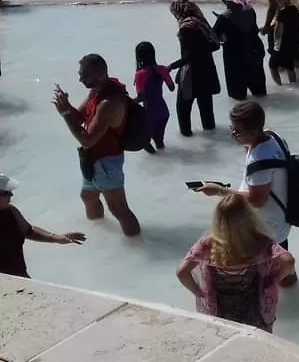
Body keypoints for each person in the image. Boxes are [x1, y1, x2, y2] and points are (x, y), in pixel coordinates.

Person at [196, 101, 299, 287]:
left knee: (255, 274)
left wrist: (219, 191)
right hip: (282, 216)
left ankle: (264, 300)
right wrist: (246, 143)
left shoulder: (259, 162)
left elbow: (257, 200)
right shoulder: (273, 137)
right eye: (232, 128)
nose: (232, 134)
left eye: (237, 131)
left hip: (265, 227)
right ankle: (293, 291)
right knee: (284, 266)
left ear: (253, 131)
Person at [176, 194, 295, 332]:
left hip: (220, 313)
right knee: (259, 348)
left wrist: (198, 292)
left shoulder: (208, 244)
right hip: (256, 312)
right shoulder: (261, 242)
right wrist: (273, 280)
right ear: (249, 216)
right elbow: (289, 261)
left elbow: (182, 272)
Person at [52, 54, 141, 236]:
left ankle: (138, 245)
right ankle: (98, 238)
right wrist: (67, 107)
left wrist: (65, 115)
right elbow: (81, 117)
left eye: (84, 76)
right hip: (92, 158)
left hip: (107, 161)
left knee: (119, 209)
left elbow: (86, 139)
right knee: (88, 196)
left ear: (99, 75)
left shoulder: (109, 103)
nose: (80, 79)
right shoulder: (96, 92)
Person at [0, 174, 86, 278]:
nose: (11, 195)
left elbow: (28, 230)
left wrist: (55, 237)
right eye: (6, 193)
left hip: (20, 276)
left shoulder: (10, 211)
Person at [168, 0, 222, 136]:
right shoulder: (200, 22)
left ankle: (186, 137)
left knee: (183, 109)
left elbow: (191, 55)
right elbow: (215, 45)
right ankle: (211, 139)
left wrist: (172, 66)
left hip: (191, 73)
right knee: (207, 111)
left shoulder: (186, 28)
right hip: (207, 70)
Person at [213, 0, 267, 101]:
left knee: (238, 96)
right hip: (254, 51)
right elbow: (254, 30)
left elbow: (213, 37)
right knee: (259, 93)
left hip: (235, 57)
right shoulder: (251, 11)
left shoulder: (224, 17)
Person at [134, 41, 175, 153]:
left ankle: (157, 165)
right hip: (163, 112)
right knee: (159, 141)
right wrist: (166, 72)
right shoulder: (162, 69)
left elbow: (141, 97)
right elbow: (172, 88)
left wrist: (128, 102)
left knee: (145, 142)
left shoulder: (140, 74)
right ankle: (163, 161)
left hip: (149, 113)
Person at [269, 0, 299, 85]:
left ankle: (279, 86)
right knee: (289, 68)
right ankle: (294, 85)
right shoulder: (294, 8)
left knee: (272, 66)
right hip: (293, 43)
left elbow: (278, 30)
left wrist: (275, 45)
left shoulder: (282, 12)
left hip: (281, 45)